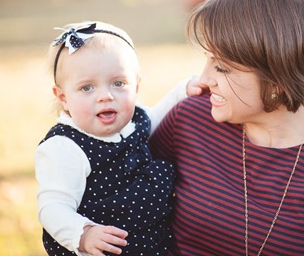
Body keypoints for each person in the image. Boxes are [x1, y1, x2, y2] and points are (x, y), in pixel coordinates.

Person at [148, 0, 304, 255]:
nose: (204, 78)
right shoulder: (190, 119)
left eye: (222, 68)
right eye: (207, 59)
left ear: (277, 80)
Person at [35, 21, 196, 256]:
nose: (105, 96)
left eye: (118, 83)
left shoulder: (134, 121)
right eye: (87, 88)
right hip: (102, 249)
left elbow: (157, 116)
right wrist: (84, 233)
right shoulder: (65, 147)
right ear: (63, 97)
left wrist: (184, 90)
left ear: (137, 86)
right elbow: (53, 207)